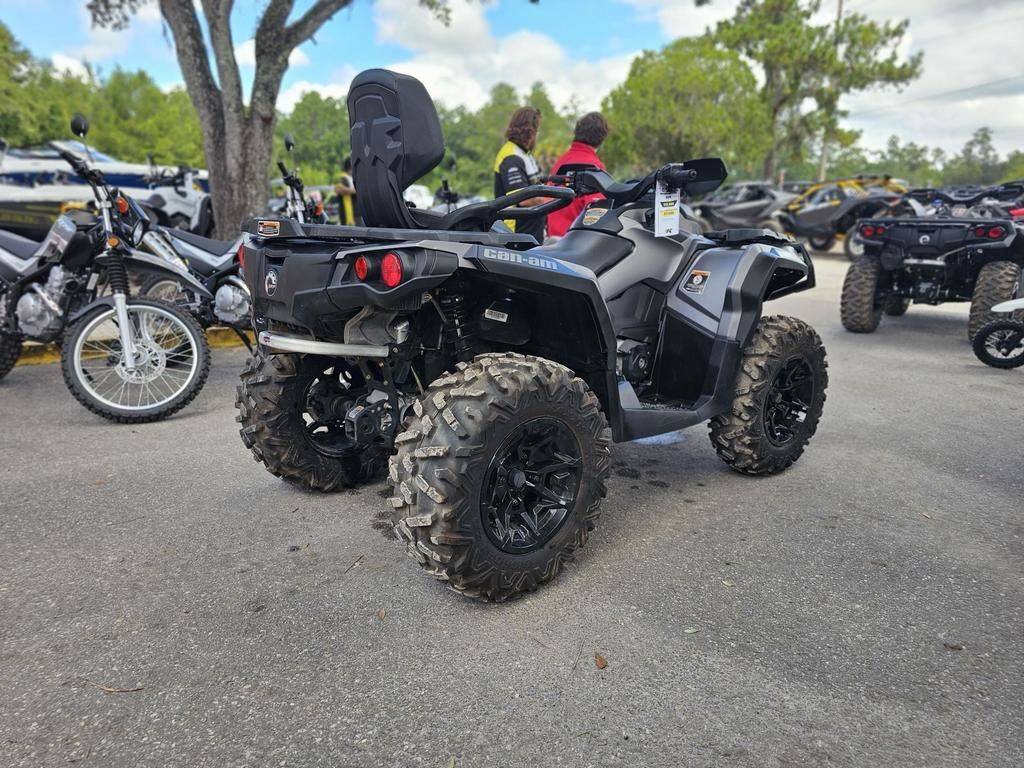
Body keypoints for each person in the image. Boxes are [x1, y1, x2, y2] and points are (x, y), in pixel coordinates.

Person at [546, 112, 610, 238]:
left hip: (552, 239)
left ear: (576, 132)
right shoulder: (594, 167)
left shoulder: (560, 163)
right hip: (575, 240)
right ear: (601, 138)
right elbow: (596, 212)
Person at [493, 106, 547, 243]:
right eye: (537, 130)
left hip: (531, 235)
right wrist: (553, 198)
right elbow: (523, 199)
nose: (537, 136)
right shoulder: (511, 156)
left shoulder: (524, 154)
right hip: (515, 235)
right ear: (530, 132)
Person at [332, 156, 357, 225]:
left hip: (353, 213)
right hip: (348, 214)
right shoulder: (344, 178)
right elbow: (338, 190)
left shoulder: (353, 177)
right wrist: (354, 190)